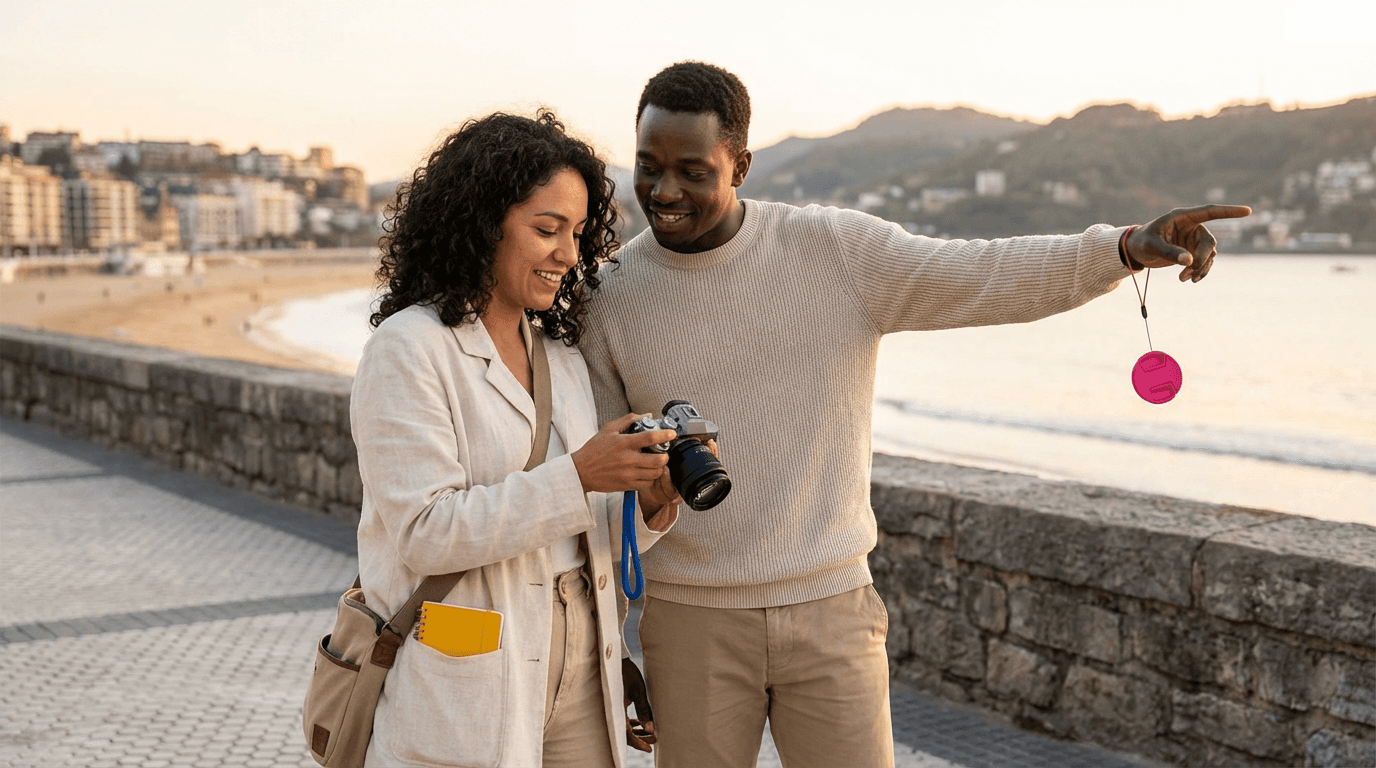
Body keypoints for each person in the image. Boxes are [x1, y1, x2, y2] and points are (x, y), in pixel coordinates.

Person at [579, 61, 1251, 768]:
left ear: (740, 164)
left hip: (831, 605)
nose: (663, 191)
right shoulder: (610, 295)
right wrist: (609, 649)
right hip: (689, 621)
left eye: (692, 170)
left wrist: (1118, 250)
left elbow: (984, 274)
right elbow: (594, 494)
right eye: (648, 167)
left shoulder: (834, 251)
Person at [351, 110, 682, 768]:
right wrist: (580, 474)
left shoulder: (557, 350)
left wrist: (647, 500)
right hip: (467, 670)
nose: (568, 253)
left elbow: (579, 525)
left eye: (579, 232)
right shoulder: (408, 350)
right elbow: (425, 533)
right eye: (546, 229)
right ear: (483, 222)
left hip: (582, 669)